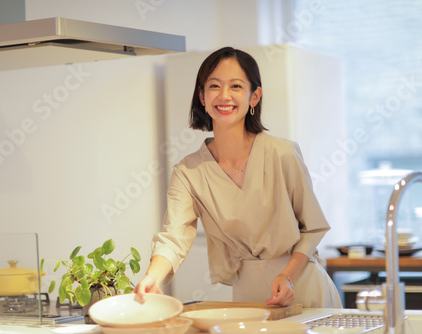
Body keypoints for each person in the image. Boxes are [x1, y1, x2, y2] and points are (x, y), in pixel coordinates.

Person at [134, 46, 342, 308]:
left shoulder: (282, 154)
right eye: (213, 86)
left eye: (235, 86)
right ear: (202, 96)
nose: (224, 96)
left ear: (254, 97)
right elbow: (174, 237)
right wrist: (153, 277)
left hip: (302, 286)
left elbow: (312, 228)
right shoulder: (188, 172)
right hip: (248, 295)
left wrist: (286, 276)